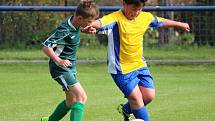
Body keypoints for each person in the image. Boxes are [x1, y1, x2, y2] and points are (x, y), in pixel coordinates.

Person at [83, 0, 190, 121]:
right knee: (136, 98)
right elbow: (101, 22)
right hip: (121, 68)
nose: (136, 12)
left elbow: (160, 21)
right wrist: (91, 27)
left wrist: (180, 24)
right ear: (124, 4)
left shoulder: (145, 17)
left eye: (139, 9)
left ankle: (126, 109)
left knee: (149, 96)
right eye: (133, 9)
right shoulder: (115, 18)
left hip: (139, 65)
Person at [40, 1, 99, 121]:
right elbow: (46, 46)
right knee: (81, 97)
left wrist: (84, 30)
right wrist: (59, 60)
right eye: (88, 22)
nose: (90, 24)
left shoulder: (75, 23)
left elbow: (74, 32)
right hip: (60, 69)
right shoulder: (64, 29)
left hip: (69, 67)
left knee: (71, 101)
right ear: (80, 18)